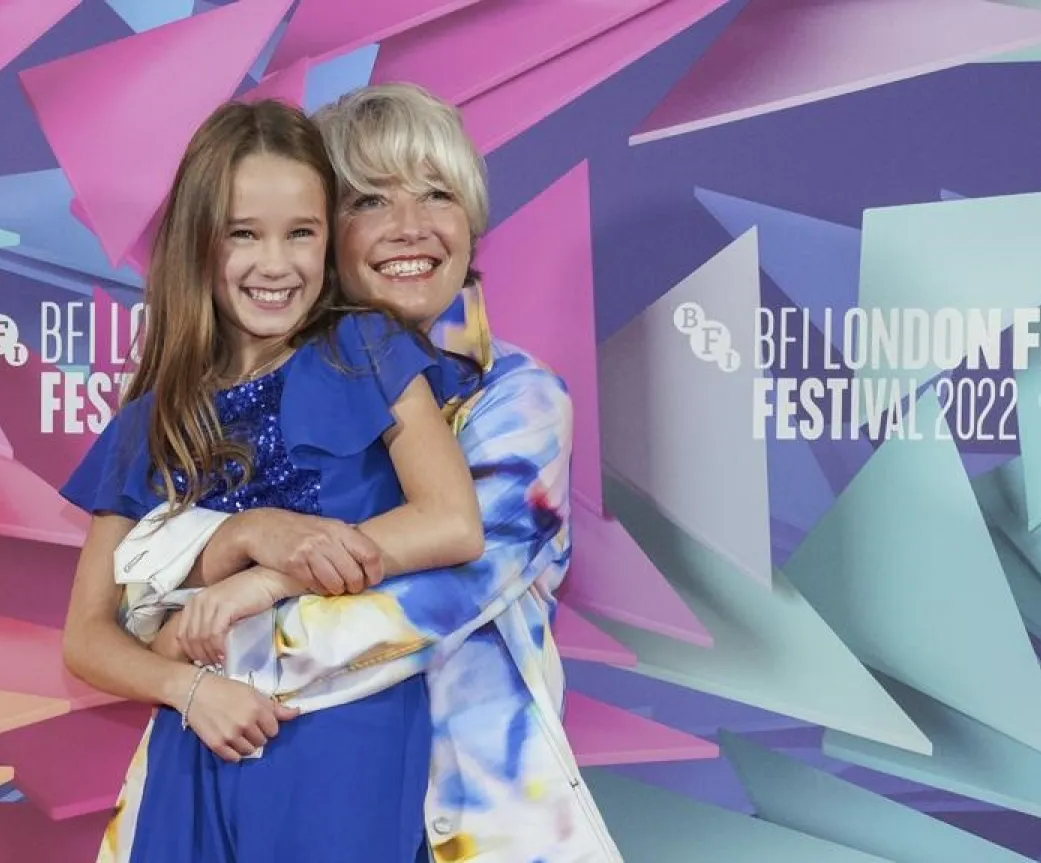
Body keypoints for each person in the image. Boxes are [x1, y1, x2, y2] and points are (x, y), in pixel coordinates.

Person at [110, 83, 624, 861]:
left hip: (463, 818)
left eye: (438, 194)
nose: (410, 226)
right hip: (238, 786)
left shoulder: (519, 401)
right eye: (371, 201)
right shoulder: (232, 400)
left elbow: (419, 596)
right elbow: (117, 594)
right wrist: (241, 545)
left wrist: (224, 609)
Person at [58, 96, 488, 862]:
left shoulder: (365, 345)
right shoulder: (153, 419)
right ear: (199, 243)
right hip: (202, 736)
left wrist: (267, 575)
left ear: (329, 241)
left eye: (302, 233)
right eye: (243, 235)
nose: (276, 264)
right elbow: (87, 635)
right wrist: (190, 692)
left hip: (341, 728)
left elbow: (452, 520)